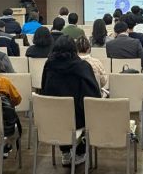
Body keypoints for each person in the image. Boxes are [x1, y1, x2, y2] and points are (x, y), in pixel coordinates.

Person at [40, 36, 101, 166]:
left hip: (52, 118)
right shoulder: (83, 67)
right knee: (85, 110)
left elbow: (43, 89)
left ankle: (65, 152)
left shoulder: (48, 66)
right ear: (74, 50)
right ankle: (80, 152)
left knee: (62, 111)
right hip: (77, 120)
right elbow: (93, 95)